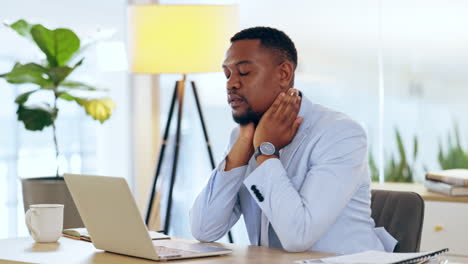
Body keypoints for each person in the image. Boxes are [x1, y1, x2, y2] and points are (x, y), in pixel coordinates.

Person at [189, 26, 397, 254]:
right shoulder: (243, 137)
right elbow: (204, 229)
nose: (231, 84)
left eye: (244, 72)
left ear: (284, 74)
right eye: (227, 74)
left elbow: (298, 237)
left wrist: (266, 152)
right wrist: (242, 146)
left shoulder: (339, 133)